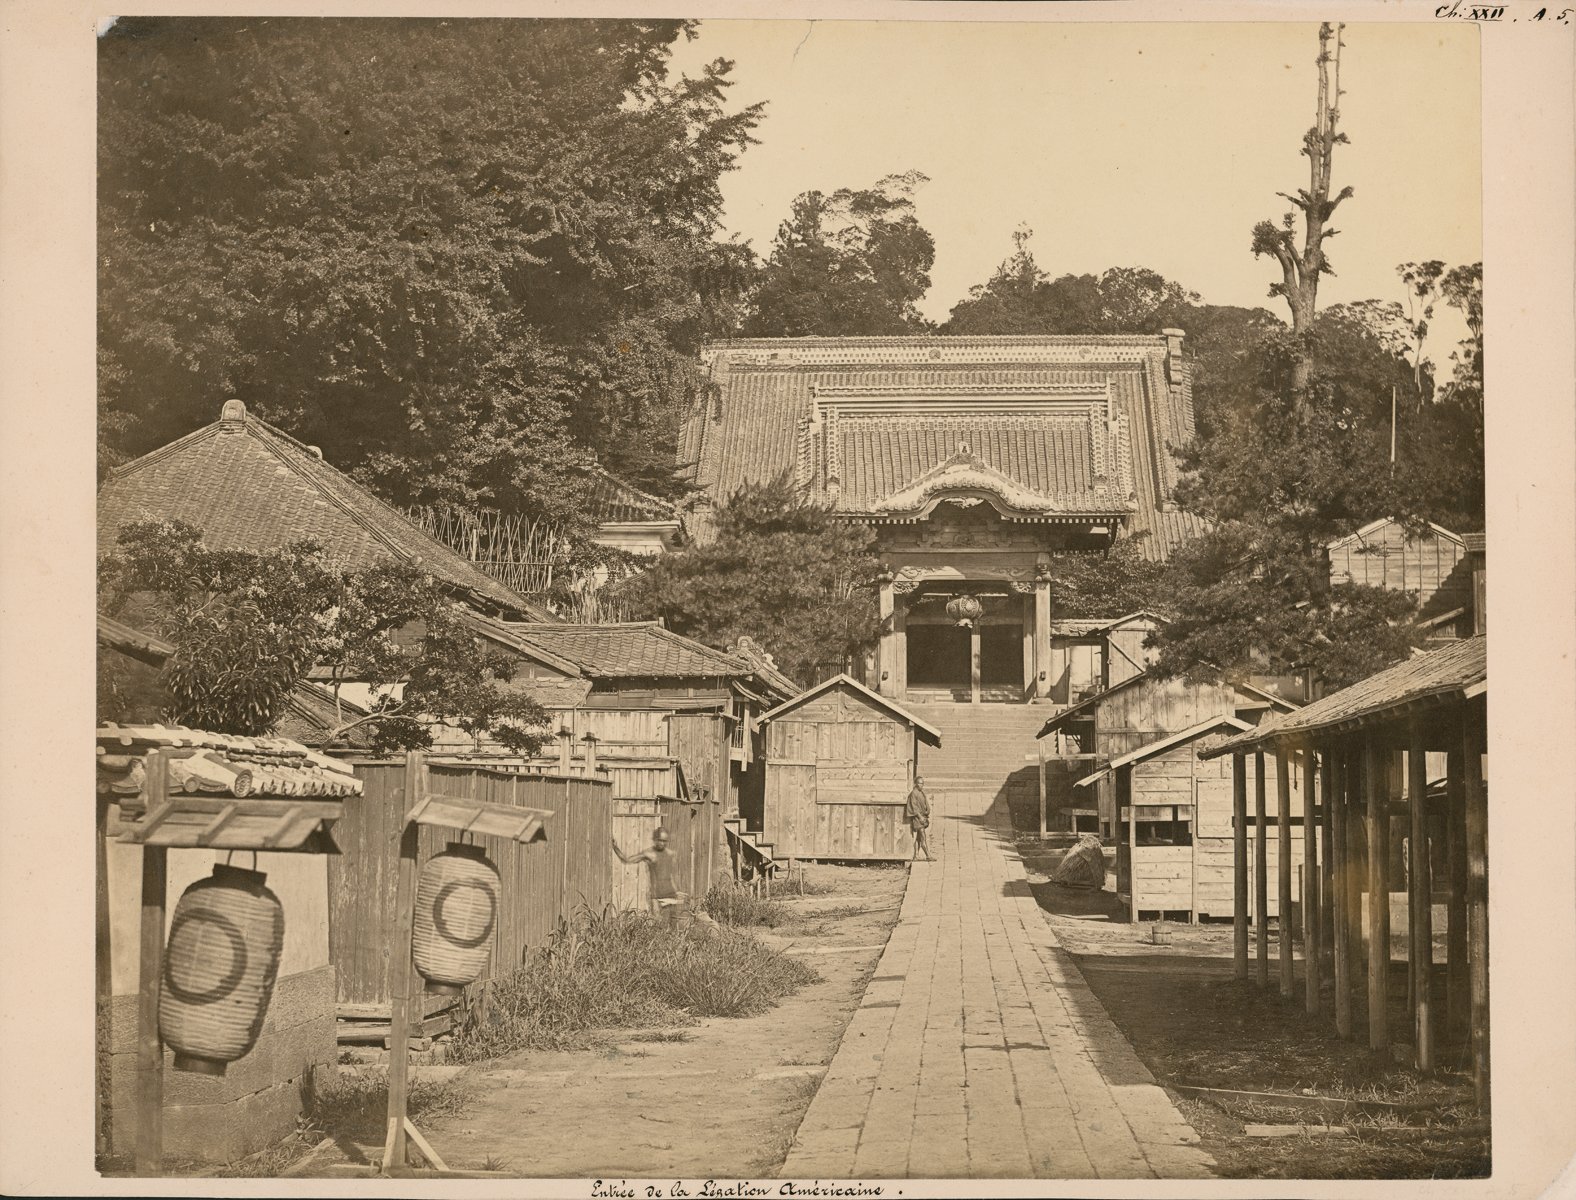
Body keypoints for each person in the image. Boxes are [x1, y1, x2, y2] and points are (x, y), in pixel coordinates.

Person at [612, 826, 688, 928]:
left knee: (672, 926)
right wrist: (615, 847)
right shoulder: (649, 854)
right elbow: (626, 860)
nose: (662, 843)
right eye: (659, 840)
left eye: (664, 841)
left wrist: (678, 891)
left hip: (670, 894)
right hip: (656, 896)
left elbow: (673, 875)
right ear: (655, 840)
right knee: (658, 925)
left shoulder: (671, 854)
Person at [905, 775, 934, 861]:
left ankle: (916, 855)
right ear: (916, 784)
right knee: (923, 837)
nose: (922, 785)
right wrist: (920, 817)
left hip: (922, 817)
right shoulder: (914, 793)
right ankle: (928, 855)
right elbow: (914, 807)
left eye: (923, 783)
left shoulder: (921, 792)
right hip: (917, 818)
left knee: (918, 837)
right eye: (920, 783)